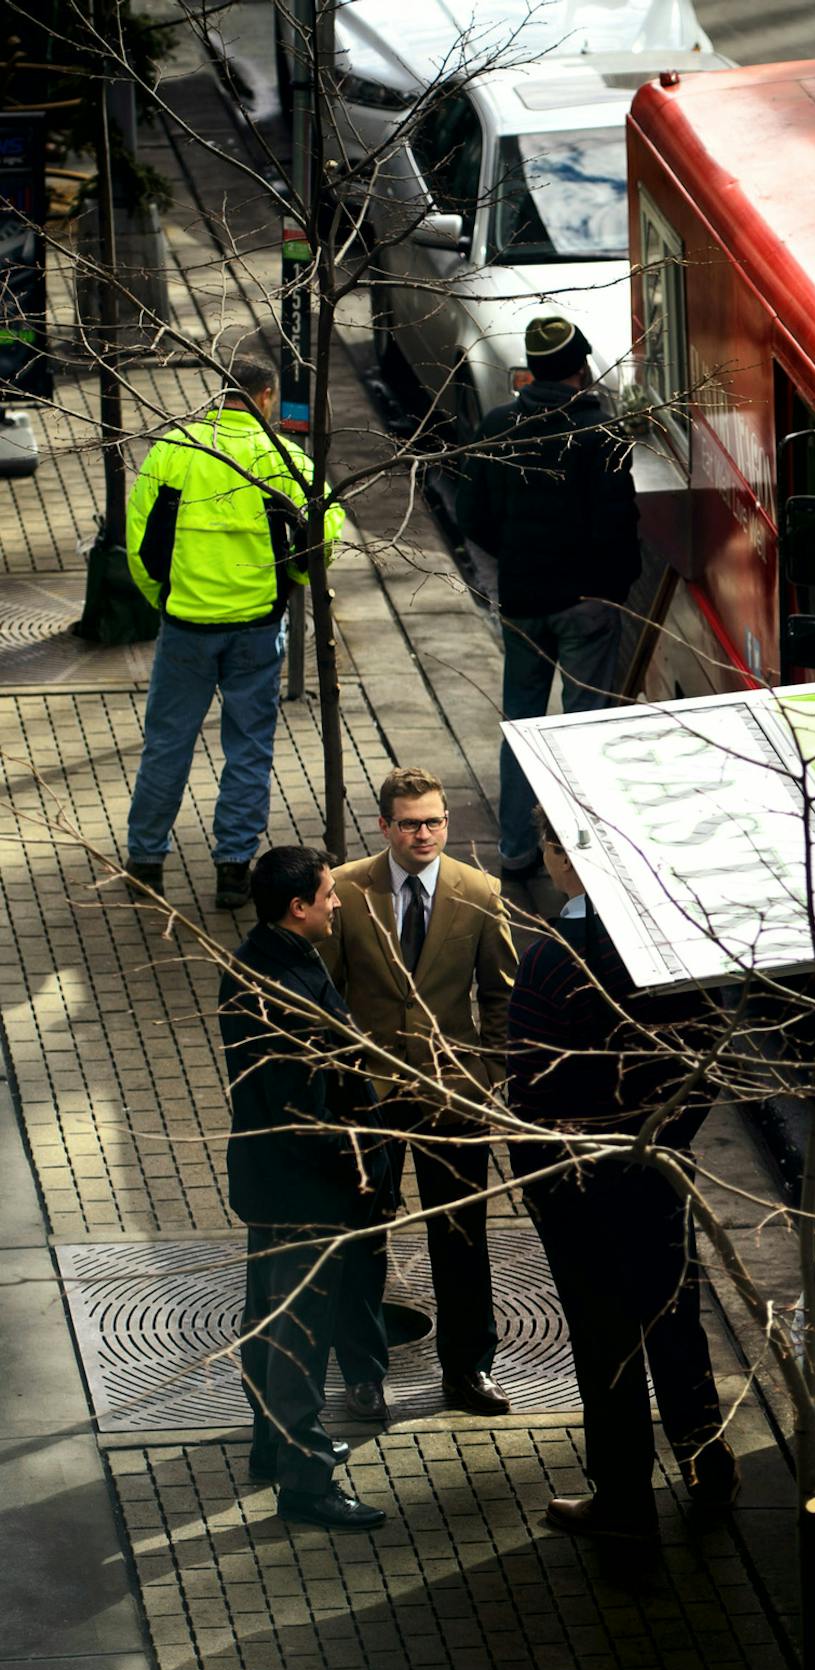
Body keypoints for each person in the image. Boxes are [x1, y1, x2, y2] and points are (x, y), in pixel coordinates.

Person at [508, 808, 737, 1537]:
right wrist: (666, 1140)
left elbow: (530, 1096)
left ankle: (623, 1495)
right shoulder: (673, 949)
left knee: (605, 1344)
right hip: (657, 1176)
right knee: (675, 1323)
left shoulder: (547, 961)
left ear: (558, 858)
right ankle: (708, 1466)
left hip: (579, 1191)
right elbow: (707, 1064)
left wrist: (542, 1186)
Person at [325, 766, 518, 1420]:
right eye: (410, 822)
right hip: (370, 1098)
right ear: (384, 826)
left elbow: (502, 996)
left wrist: (486, 1077)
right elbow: (325, 1000)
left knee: (462, 1237)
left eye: (434, 820)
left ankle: (469, 1368)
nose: (424, 833)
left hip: (452, 1096)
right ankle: (362, 1375)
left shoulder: (479, 892)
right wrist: (341, 1085)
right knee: (362, 1236)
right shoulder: (348, 891)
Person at [125, 352, 346, 909]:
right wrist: (286, 585)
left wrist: (166, 601)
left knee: (166, 746)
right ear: (267, 397)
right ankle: (232, 869)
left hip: (185, 628)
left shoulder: (174, 453)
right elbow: (325, 532)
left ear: (221, 392)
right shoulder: (282, 460)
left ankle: (146, 861)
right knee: (248, 749)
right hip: (255, 630)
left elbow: (139, 545)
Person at [219, 845, 385, 1530]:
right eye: (327, 894)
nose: (336, 902)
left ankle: (274, 1447)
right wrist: (361, 1160)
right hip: (303, 1190)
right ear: (298, 907)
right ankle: (305, 1478)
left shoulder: (263, 955)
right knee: (297, 1337)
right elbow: (300, 1113)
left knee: (267, 1321)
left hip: (270, 1181)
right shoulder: (283, 988)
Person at [454, 313, 640, 881]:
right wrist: (610, 591)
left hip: (525, 603)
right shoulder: (602, 435)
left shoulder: (497, 427)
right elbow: (619, 529)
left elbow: (473, 517)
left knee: (523, 727)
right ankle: (586, 854)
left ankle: (516, 848)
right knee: (584, 729)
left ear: (534, 371)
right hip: (586, 605)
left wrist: (515, 563)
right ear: (581, 369)